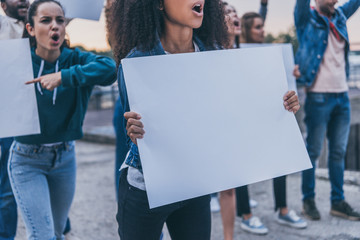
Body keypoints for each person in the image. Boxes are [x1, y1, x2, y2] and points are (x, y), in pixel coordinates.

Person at [109, 0, 229, 239]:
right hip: (145, 189)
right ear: (159, 4)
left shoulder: (217, 56)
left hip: (194, 184)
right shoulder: (135, 62)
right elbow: (134, 135)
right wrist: (133, 130)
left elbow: (235, 113)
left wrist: (281, 103)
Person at [7, 0, 116, 239]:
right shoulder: (16, 61)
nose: (55, 26)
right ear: (31, 29)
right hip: (26, 160)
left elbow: (109, 69)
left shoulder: (75, 59)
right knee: (42, 235)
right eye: (46, 21)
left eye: (59, 20)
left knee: (56, 232)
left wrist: (64, 77)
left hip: (65, 158)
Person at [233, 8, 307, 236]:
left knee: (280, 160)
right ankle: (245, 215)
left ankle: (282, 209)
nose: (262, 30)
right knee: (241, 166)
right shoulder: (231, 53)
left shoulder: (270, 53)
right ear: (245, 30)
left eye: (262, 26)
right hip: (244, 118)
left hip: (268, 116)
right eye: (257, 27)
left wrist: (291, 74)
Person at [294, 0, 360, 221]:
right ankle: (308, 200)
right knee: (312, 153)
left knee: (338, 153)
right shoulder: (306, 18)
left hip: (342, 96)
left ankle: (337, 202)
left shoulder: (340, 16)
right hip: (318, 96)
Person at [0, 1, 29, 239]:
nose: (22, 0)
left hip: (33, 115)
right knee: (7, 186)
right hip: (7, 117)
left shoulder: (41, 25)